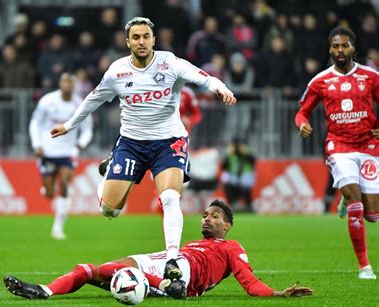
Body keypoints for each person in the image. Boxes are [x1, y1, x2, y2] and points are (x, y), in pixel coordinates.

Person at [50, 17, 237, 280]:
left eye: (146, 36)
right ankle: (109, 169)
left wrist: (222, 89)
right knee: (111, 211)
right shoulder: (117, 71)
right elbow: (94, 99)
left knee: (170, 198)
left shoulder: (170, 63)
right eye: (136, 37)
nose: (141, 41)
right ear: (128, 42)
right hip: (131, 144)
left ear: (153, 39)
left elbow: (204, 78)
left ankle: (172, 258)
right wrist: (69, 126)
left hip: (169, 142)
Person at [3, 200, 313, 300]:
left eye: (214, 216)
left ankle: (165, 285)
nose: (207, 219)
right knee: (89, 270)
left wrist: (275, 294)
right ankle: (43, 291)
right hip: (168, 260)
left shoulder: (232, 247)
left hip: (185, 276)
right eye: (205, 215)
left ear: (228, 225)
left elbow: (248, 281)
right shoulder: (192, 243)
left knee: (111, 271)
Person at [295, 26, 379, 280]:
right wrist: (302, 124)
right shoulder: (319, 81)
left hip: (368, 145)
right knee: (356, 207)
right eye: (335, 46)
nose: (339, 50)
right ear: (330, 49)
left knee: (373, 215)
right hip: (338, 146)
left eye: (344, 46)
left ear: (354, 48)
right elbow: (302, 111)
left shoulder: (371, 76)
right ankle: (365, 267)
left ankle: (347, 193)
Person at [29, 73, 93, 240]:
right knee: (50, 193)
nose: (67, 86)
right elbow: (35, 123)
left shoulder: (80, 104)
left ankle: (57, 228)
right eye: (64, 83)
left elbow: (87, 129)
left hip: (67, 152)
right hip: (48, 151)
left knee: (64, 184)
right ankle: (47, 190)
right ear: (60, 84)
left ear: (74, 86)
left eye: (70, 83)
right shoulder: (47, 101)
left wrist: (80, 144)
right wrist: (37, 144)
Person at [220, 138, 256, 211]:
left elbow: (253, 162)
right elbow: (223, 167)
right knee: (227, 181)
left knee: (245, 184)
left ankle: (248, 206)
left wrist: (246, 153)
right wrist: (227, 155)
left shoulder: (247, 152)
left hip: (245, 174)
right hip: (233, 175)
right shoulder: (229, 153)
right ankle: (233, 204)